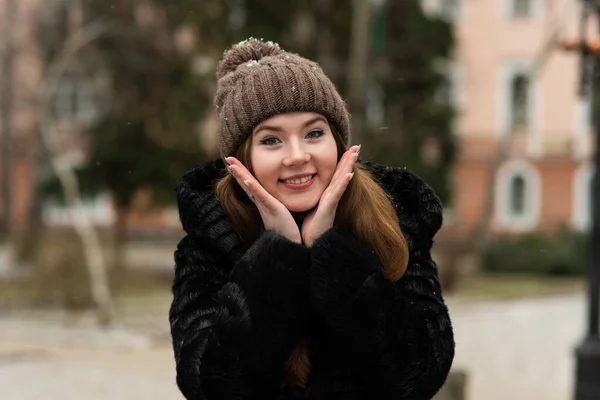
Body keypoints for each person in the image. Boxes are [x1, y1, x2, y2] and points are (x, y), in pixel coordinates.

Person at [169, 38, 454, 400]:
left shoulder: (396, 220)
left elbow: (421, 372)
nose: (297, 156)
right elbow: (210, 386)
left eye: (314, 133)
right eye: (271, 141)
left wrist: (331, 251)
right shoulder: (212, 238)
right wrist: (276, 256)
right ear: (241, 159)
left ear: (338, 142)